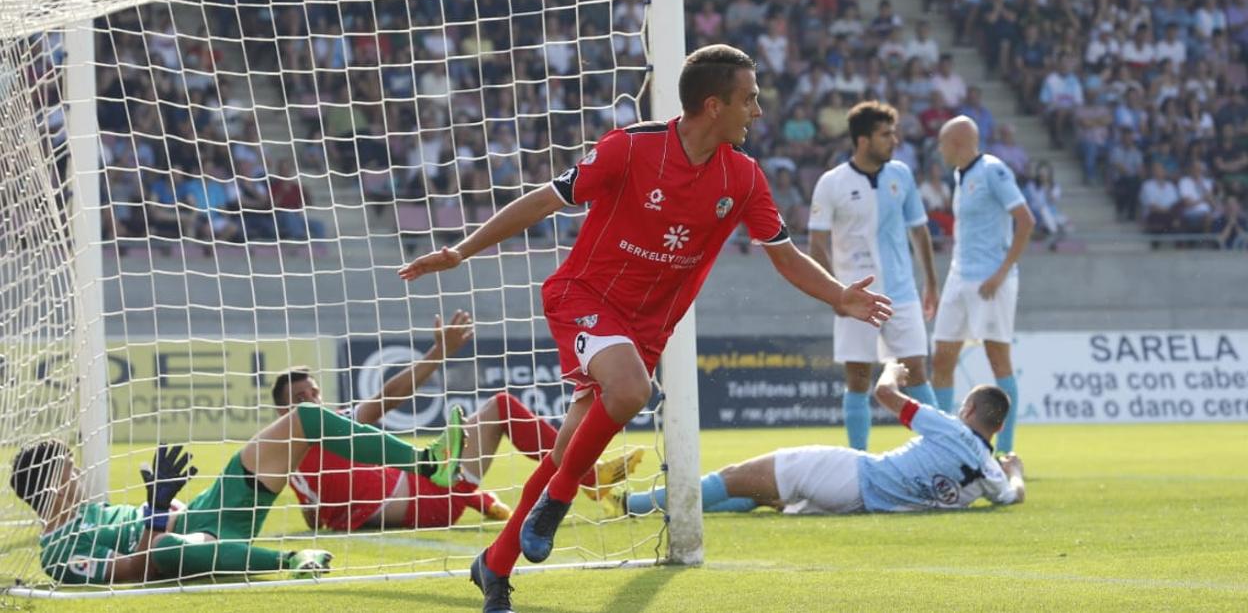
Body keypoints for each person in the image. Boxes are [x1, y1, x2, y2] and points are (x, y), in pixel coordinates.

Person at [397, 44, 892, 613]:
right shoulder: (630, 148)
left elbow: (783, 255)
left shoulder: (745, 177)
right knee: (631, 391)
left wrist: (839, 296)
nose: (758, 111)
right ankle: (555, 506)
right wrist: (461, 250)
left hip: (644, 329)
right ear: (714, 105)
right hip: (583, 297)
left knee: (567, 451)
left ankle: (494, 566)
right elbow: (544, 201)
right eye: (749, 99)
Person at [9, 400, 465, 584]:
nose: (78, 474)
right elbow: (138, 567)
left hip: (214, 506)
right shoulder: (59, 554)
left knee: (303, 420)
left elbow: (173, 515)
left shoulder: (97, 512)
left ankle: (428, 463)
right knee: (171, 548)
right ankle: (291, 560)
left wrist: (165, 504)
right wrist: (155, 513)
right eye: (69, 469)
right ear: (51, 485)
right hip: (197, 544)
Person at [273, 313, 642, 532]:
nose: (311, 403)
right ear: (281, 413)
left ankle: (483, 499)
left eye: (314, 394)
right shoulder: (289, 451)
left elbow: (313, 517)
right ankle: (589, 479)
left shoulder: (322, 436)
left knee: (494, 412)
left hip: (425, 490)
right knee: (502, 407)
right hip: (430, 502)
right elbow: (386, 398)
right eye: (300, 400)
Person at [609, 362, 1024, 517]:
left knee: (733, 475)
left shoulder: (950, 428)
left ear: (967, 412)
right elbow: (1013, 495)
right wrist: (1015, 470)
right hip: (860, 503)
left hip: (853, 474)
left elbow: (883, 395)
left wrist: (892, 371)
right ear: (998, 428)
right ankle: (657, 505)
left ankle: (632, 504)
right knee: (761, 495)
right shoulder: (990, 473)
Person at [807, 101, 939, 451]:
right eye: (886, 134)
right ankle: (858, 460)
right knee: (858, 379)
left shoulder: (902, 175)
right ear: (863, 140)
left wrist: (931, 282)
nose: (894, 140)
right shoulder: (832, 182)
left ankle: (940, 452)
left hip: (902, 292)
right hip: (857, 297)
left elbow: (919, 230)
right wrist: (836, 292)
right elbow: (816, 244)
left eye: (894, 133)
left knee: (917, 370)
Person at [931, 116, 1035, 454]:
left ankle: (1006, 451)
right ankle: (943, 443)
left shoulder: (993, 170)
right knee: (942, 357)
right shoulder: (961, 176)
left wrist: (1002, 272)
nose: (940, 149)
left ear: (958, 142)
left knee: (998, 360)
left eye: (943, 142)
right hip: (958, 276)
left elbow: (1025, 220)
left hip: (991, 280)